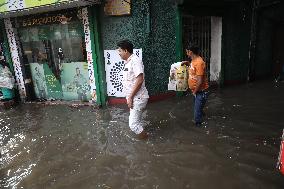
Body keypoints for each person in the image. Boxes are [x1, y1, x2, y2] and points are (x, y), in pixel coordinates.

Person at [117, 40, 149, 139]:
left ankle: (147, 141)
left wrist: (130, 97)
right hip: (134, 97)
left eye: (120, 51)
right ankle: (143, 135)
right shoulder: (129, 62)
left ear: (126, 51)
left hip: (137, 97)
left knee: (133, 125)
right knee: (137, 122)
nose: (119, 53)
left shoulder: (135, 61)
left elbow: (140, 80)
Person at [182, 44, 209, 127]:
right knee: (198, 108)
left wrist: (194, 91)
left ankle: (198, 128)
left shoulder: (199, 63)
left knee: (196, 113)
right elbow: (193, 68)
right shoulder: (193, 60)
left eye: (187, 51)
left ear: (190, 52)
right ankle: (203, 115)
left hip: (201, 91)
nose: (186, 53)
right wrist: (187, 63)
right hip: (197, 91)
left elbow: (200, 80)